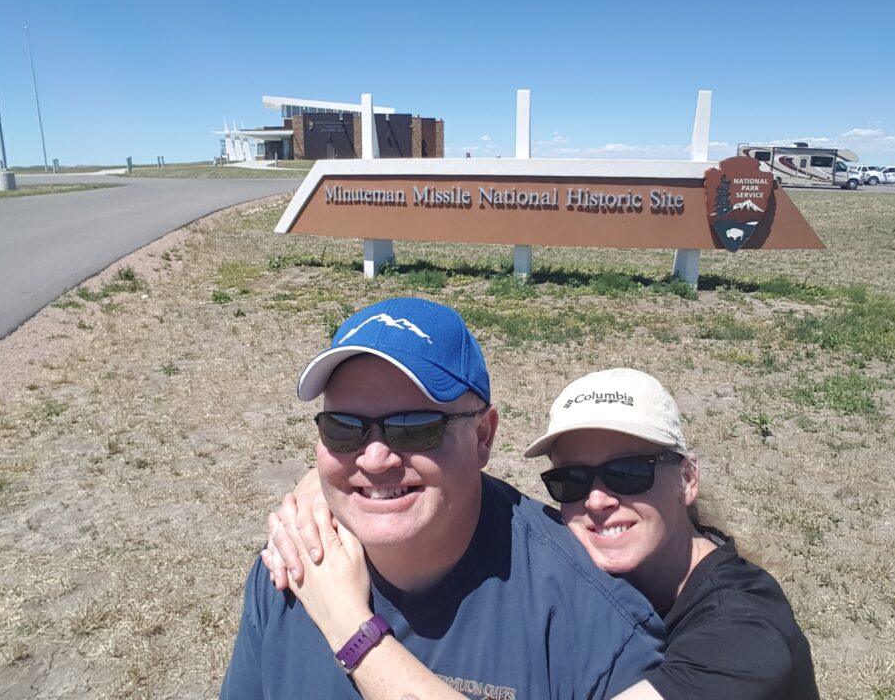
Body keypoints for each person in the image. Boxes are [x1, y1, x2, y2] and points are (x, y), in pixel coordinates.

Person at [268, 367, 820, 700]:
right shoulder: (579, 556)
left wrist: (348, 624)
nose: (598, 500)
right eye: (571, 480)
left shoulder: (743, 631)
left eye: (630, 473)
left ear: (689, 479)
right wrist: (325, 487)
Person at [220, 298, 664, 699]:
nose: (374, 459)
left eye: (416, 427)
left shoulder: (588, 621)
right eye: (343, 428)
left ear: (483, 437)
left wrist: (350, 630)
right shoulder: (292, 562)